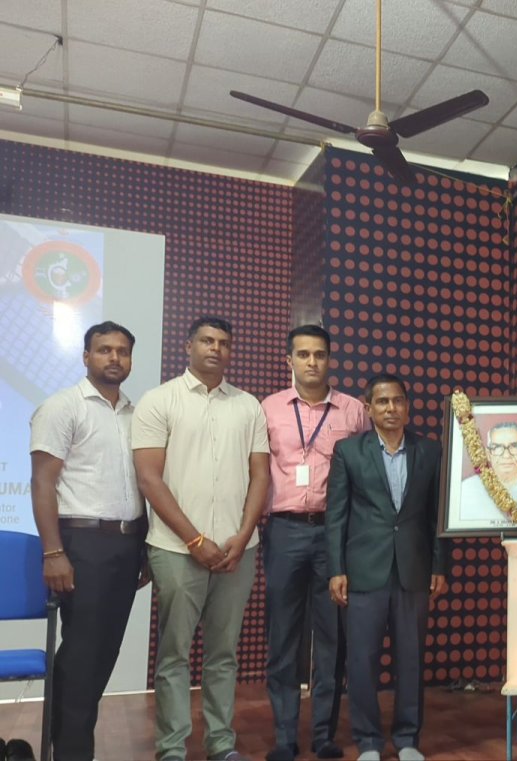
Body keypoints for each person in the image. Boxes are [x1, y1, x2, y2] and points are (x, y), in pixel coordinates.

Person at [132, 316, 269, 761]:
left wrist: (243, 536)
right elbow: (149, 479)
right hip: (175, 550)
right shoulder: (159, 400)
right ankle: (172, 748)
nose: (215, 349)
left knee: (223, 654)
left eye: (224, 343)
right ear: (188, 346)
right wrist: (194, 540)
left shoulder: (248, 406)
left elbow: (260, 475)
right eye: (207, 341)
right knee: (174, 654)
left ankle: (221, 744)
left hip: (237, 551)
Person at [29, 321, 146, 761]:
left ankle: (72, 747)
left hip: (127, 544)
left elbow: (142, 484)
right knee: (81, 657)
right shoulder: (62, 407)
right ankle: (71, 753)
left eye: (122, 351)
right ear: (86, 356)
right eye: (104, 350)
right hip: (82, 543)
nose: (114, 358)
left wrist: (144, 547)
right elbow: (42, 482)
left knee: (103, 655)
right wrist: (53, 552)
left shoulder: (136, 414)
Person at [261, 325, 371, 761]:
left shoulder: (353, 412)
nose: (312, 362)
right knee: (283, 637)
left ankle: (323, 734)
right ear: (289, 360)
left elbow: (366, 474)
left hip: (334, 533)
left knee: (331, 638)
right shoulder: (268, 409)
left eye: (319, 354)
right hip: (284, 530)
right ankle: (284, 736)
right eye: (303, 354)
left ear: (329, 359)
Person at [326, 373, 449, 761]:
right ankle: (368, 741)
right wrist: (336, 569)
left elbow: (437, 516)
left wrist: (439, 566)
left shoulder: (430, 452)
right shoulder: (348, 452)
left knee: (411, 659)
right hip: (364, 571)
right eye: (382, 402)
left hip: (414, 569)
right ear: (368, 408)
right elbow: (336, 516)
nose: (391, 408)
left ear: (407, 407)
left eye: (397, 401)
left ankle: (408, 739)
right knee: (361, 660)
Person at [459, 421, 517, 520]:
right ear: (488, 454)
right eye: (497, 447)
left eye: (515, 446)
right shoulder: (466, 490)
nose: (506, 455)